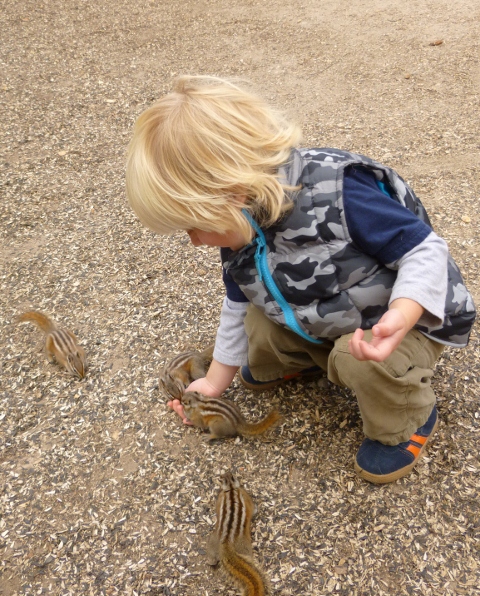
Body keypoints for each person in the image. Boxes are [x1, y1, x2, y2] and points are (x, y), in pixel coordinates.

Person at [126, 75, 476, 483]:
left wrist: (404, 310)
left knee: (353, 359)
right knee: (256, 324)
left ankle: (407, 416)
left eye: (193, 226)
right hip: (332, 316)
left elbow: (426, 250)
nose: (193, 242)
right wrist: (216, 380)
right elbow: (237, 303)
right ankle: (309, 361)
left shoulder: (340, 194)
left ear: (232, 192)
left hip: (400, 325)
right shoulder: (239, 224)